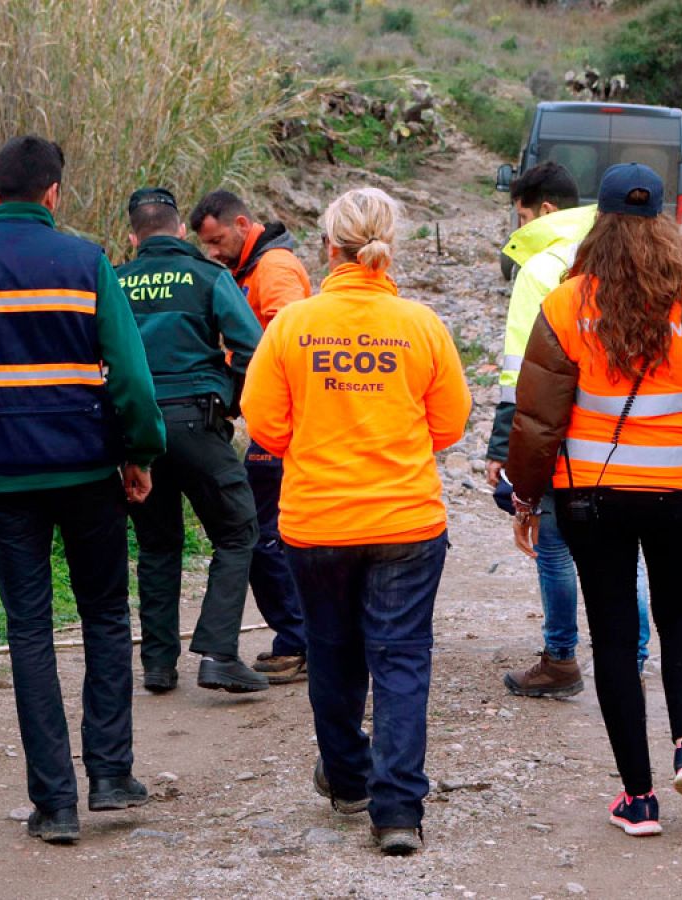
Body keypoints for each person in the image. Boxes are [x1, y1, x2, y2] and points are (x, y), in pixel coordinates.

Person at [0, 136, 166, 845]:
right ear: (53, 193)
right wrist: (139, 453)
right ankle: (112, 774)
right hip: (89, 473)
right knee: (105, 618)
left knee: (29, 631)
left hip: (5, 480)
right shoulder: (86, 261)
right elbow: (129, 376)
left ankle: (55, 804)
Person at [506, 163, 682, 837]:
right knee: (681, 618)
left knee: (615, 638)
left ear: (601, 226)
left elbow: (537, 420)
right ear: (664, 230)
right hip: (681, 494)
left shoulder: (564, 307)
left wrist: (526, 497)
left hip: (592, 498)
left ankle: (638, 800)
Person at [242, 187, 471, 856]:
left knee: (334, 655)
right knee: (401, 660)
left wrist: (316, 442)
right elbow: (450, 423)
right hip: (406, 521)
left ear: (327, 247)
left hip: (317, 523)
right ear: (387, 247)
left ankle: (348, 781)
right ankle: (398, 812)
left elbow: (265, 423)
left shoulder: (293, 326)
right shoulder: (420, 324)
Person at [487, 161, 652, 698]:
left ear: (545, 211)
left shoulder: (542, 270)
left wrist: (504, 451)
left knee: (554, 545)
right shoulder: (647, 261)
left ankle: (561, 658)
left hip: (568, 438)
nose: (517, 227)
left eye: (521, 215)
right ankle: (636, 652)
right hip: (638, 431)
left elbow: (522, 375)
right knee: (629, 551)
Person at [116, 187, 268, 695]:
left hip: (137, 432)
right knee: (237, 529)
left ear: (133, 236)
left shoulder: (114, 283)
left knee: (157, 544)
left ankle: (159, 666)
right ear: (182, 231)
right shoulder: (208, 276)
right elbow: (254, 348)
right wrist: (231, 401)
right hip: (196, 423)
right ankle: (219, 653)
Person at [187, 190, 311, 683]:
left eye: (218, 241)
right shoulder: (250, 269)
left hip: (284, 427)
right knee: (268, 531)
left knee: (260, 533)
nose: (213, 252)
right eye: (207, 246)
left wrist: (234, 373)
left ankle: (299, 640)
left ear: (241, 223)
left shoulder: (274, 267)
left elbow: (291, 341)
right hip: (276, 423)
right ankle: (300, 637)